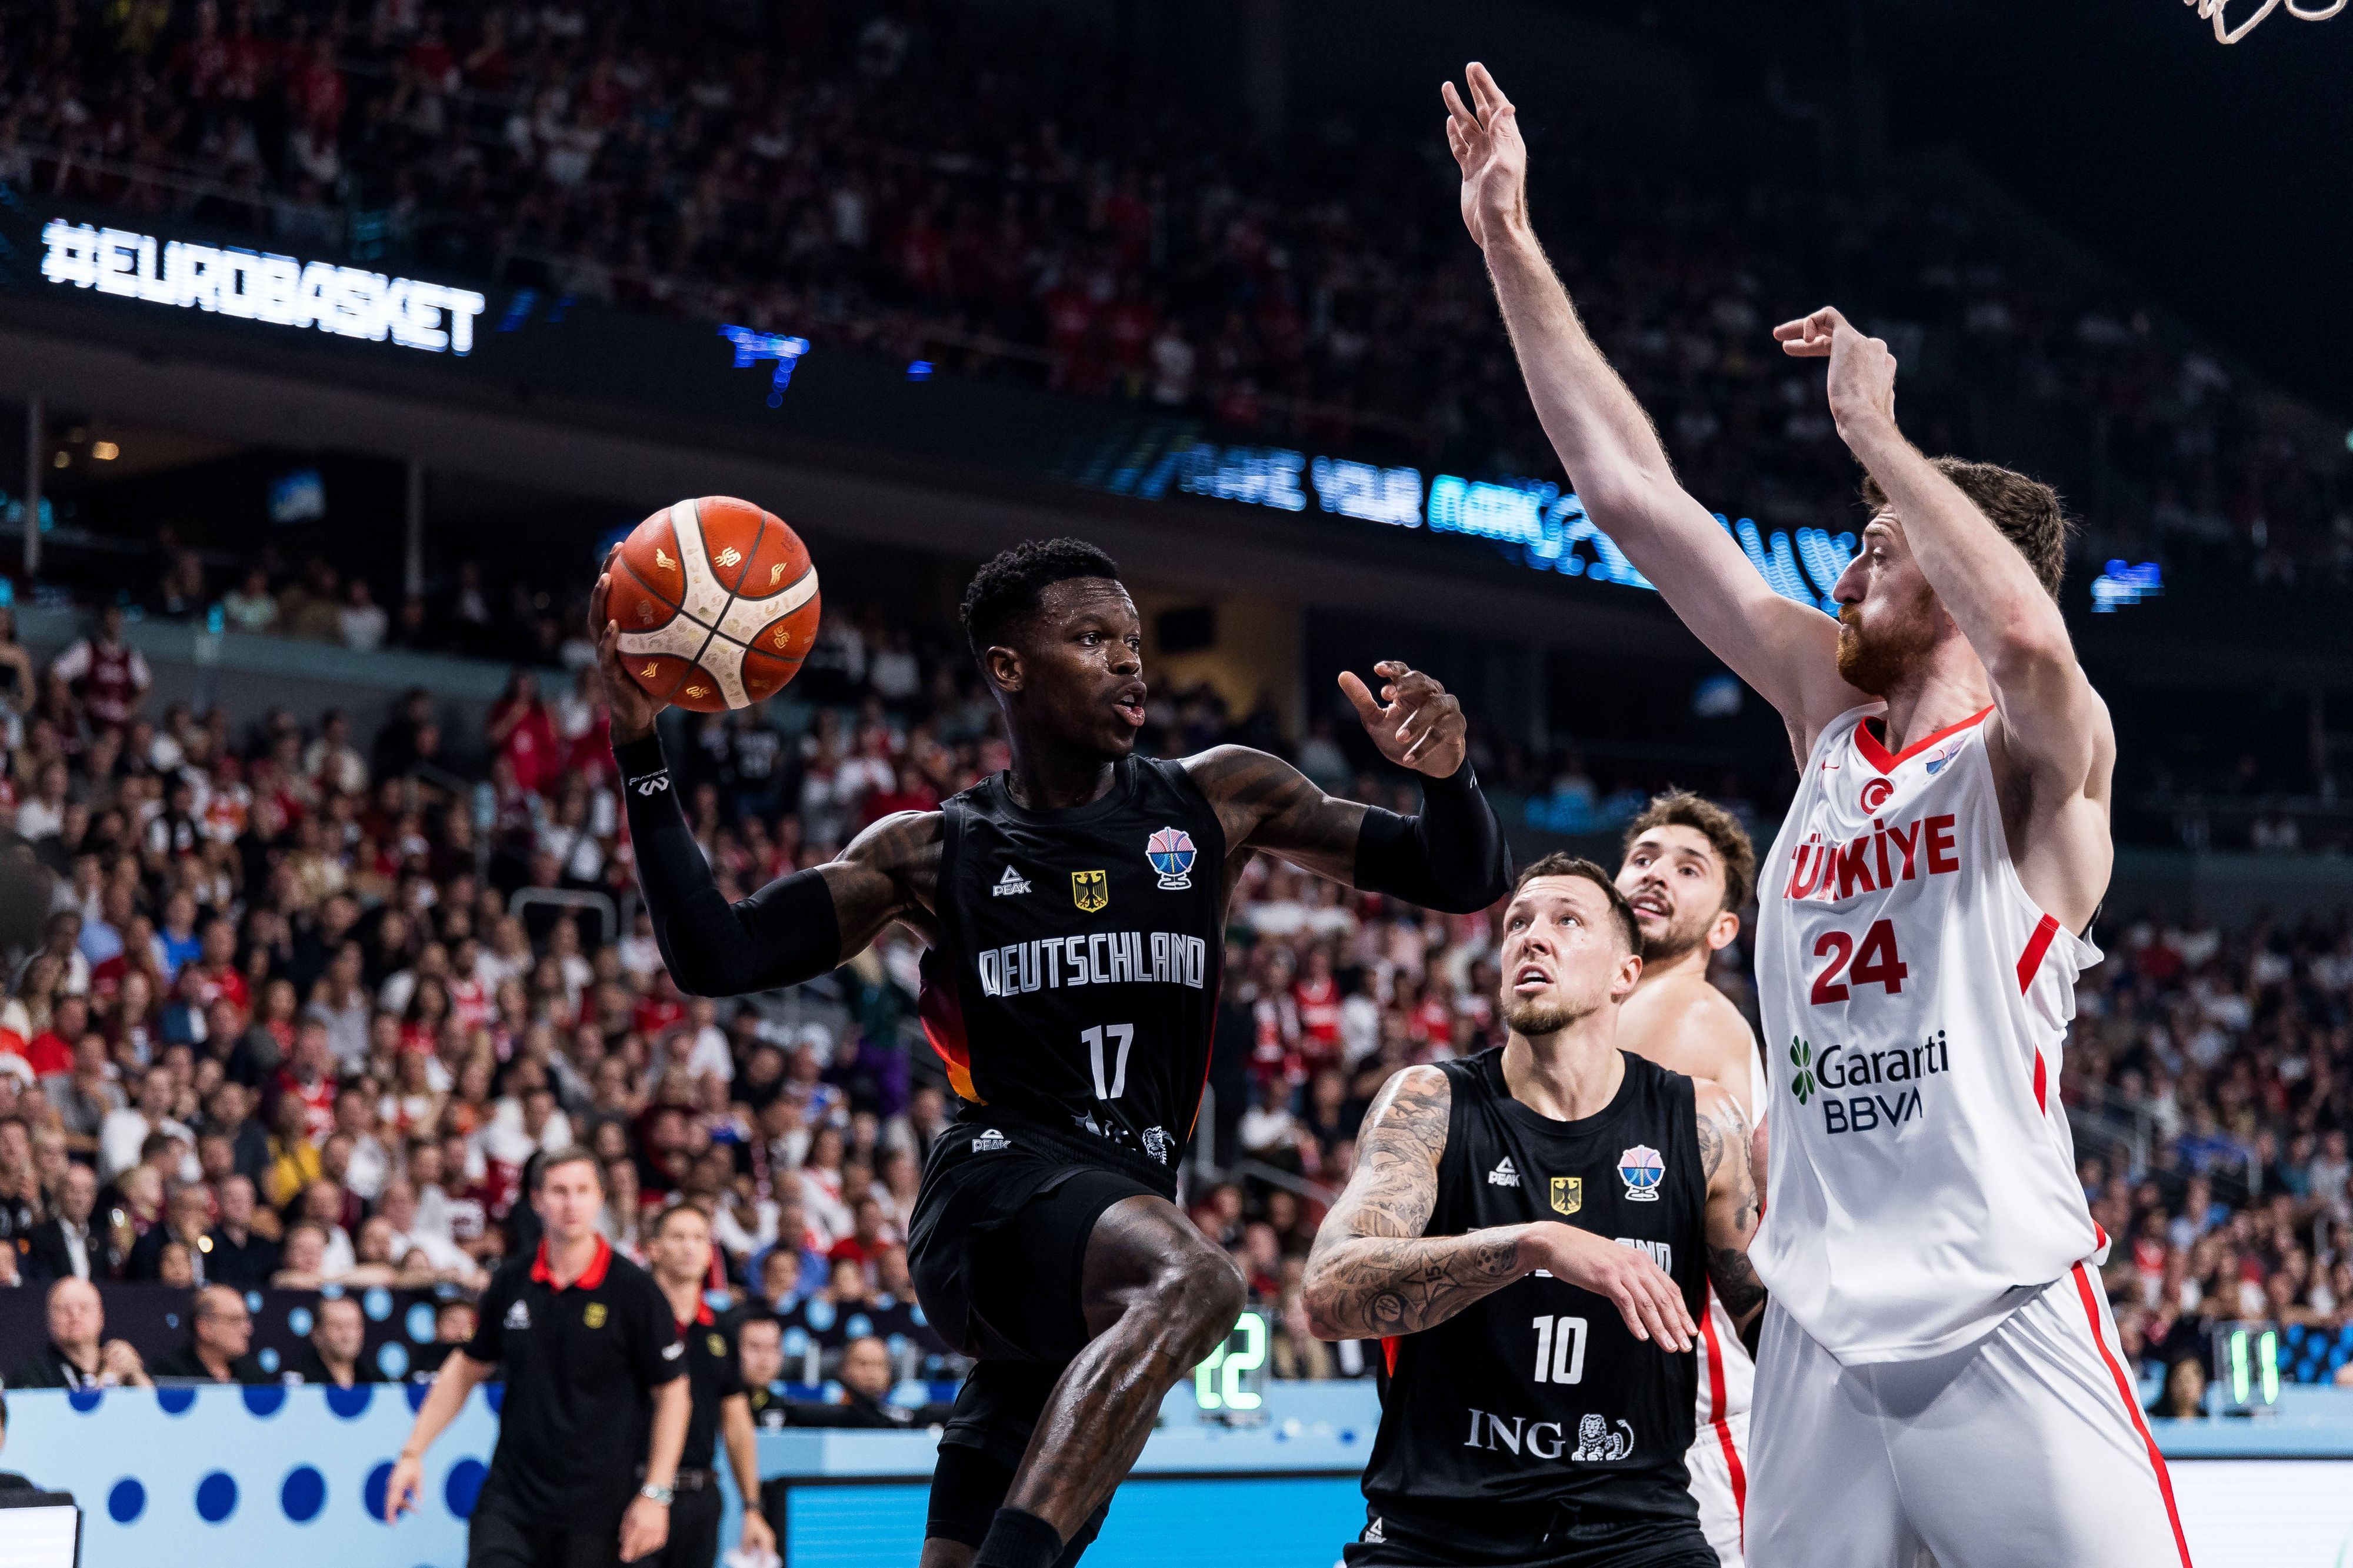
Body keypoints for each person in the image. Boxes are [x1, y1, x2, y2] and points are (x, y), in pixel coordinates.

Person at [1443, 63, 2180, 1568]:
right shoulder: (1821, 717)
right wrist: (1507, 237)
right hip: (1820, 1338)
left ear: (1963, 571)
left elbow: (2033, 642)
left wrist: (1887, 446)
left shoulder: (2039, 762)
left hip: (2000, 1310)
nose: (1844, 566)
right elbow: (1630, 492)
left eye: (1874, 546)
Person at [594, 536, 1512, 1568]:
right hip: (995, 1197)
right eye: (1091, 639)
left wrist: (1450, 776)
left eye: (1132, 640)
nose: (1129, 662)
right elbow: (717, 954)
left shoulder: (1219, 796)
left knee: (996, 1526)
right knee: (1202, 1285)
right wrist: (639, 747)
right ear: (1008, 668)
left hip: (1095, 1252)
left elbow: (1458, 873)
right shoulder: (935, 849)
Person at [1302, 856, 1761, 1567]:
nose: (1531, 937)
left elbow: (1771, 1327)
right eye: (1518, 922)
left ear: (1624, 974)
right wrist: (1531, 1245)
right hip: (1437, 1532)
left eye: (1567, 921)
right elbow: (1329, 1294)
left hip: (1635, 1531)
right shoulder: (1430, 1103)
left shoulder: (1699, 1119)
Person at [384, 1147, 690, 1568]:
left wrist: (656, 1493)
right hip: (513, 1500)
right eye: (559, 1191)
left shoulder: (633, 1290)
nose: (571, 1203)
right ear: (536, 1200)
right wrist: (412, 1453)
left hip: (601, 1508)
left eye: (583, 1191)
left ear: (600, 1197)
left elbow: (674, 1392)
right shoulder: (511, 1281)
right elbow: (467, 1367)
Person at [1611, 792, 1766, 1566]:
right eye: (1642, 858)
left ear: (1724, 926)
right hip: (1589, 1417)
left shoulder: (1694, 1018)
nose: (1656, 873)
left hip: (1686, 1417)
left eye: (1687, 866)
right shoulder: (1584, 1020)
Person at [644, 1202, 776, 1568]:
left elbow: (736, 1424)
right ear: (653, 1248)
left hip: (701, 1497)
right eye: (678, 1237)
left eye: (699, 1238)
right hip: (635, 1491)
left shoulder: (721, 1329)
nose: (689, 1247)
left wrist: (752, 1507)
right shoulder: (632, 1321)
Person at [7, 1277, 151, 1389]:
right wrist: (109, 1379)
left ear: (101, 1315)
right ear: (49, 1318)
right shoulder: (33, 1372)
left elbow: (156, 1416)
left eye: (84, 1308)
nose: (75, 1316)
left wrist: (135, 1374)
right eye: (64, 1309)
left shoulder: (120, 1358)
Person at [21, 1162, 125, 1282]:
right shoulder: (41, 1237)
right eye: (73, 1190)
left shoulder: (101, 1239)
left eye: (87, 1191)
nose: (80, 1199)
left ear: (95, 1197)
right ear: (59, 1194)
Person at [149, 1285, 265, 1383]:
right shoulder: (170, 1375)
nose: (248, 1330)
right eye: (235, 1320)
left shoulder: (254, 1376)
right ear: (204, 1328)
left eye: (247, 1320)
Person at [288, 1295, 381, 1389]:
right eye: (338, 1327)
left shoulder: (375, 1378)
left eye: (354, 1326)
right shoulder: (300, 1381)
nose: (347, 1336)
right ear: (316, 1333)